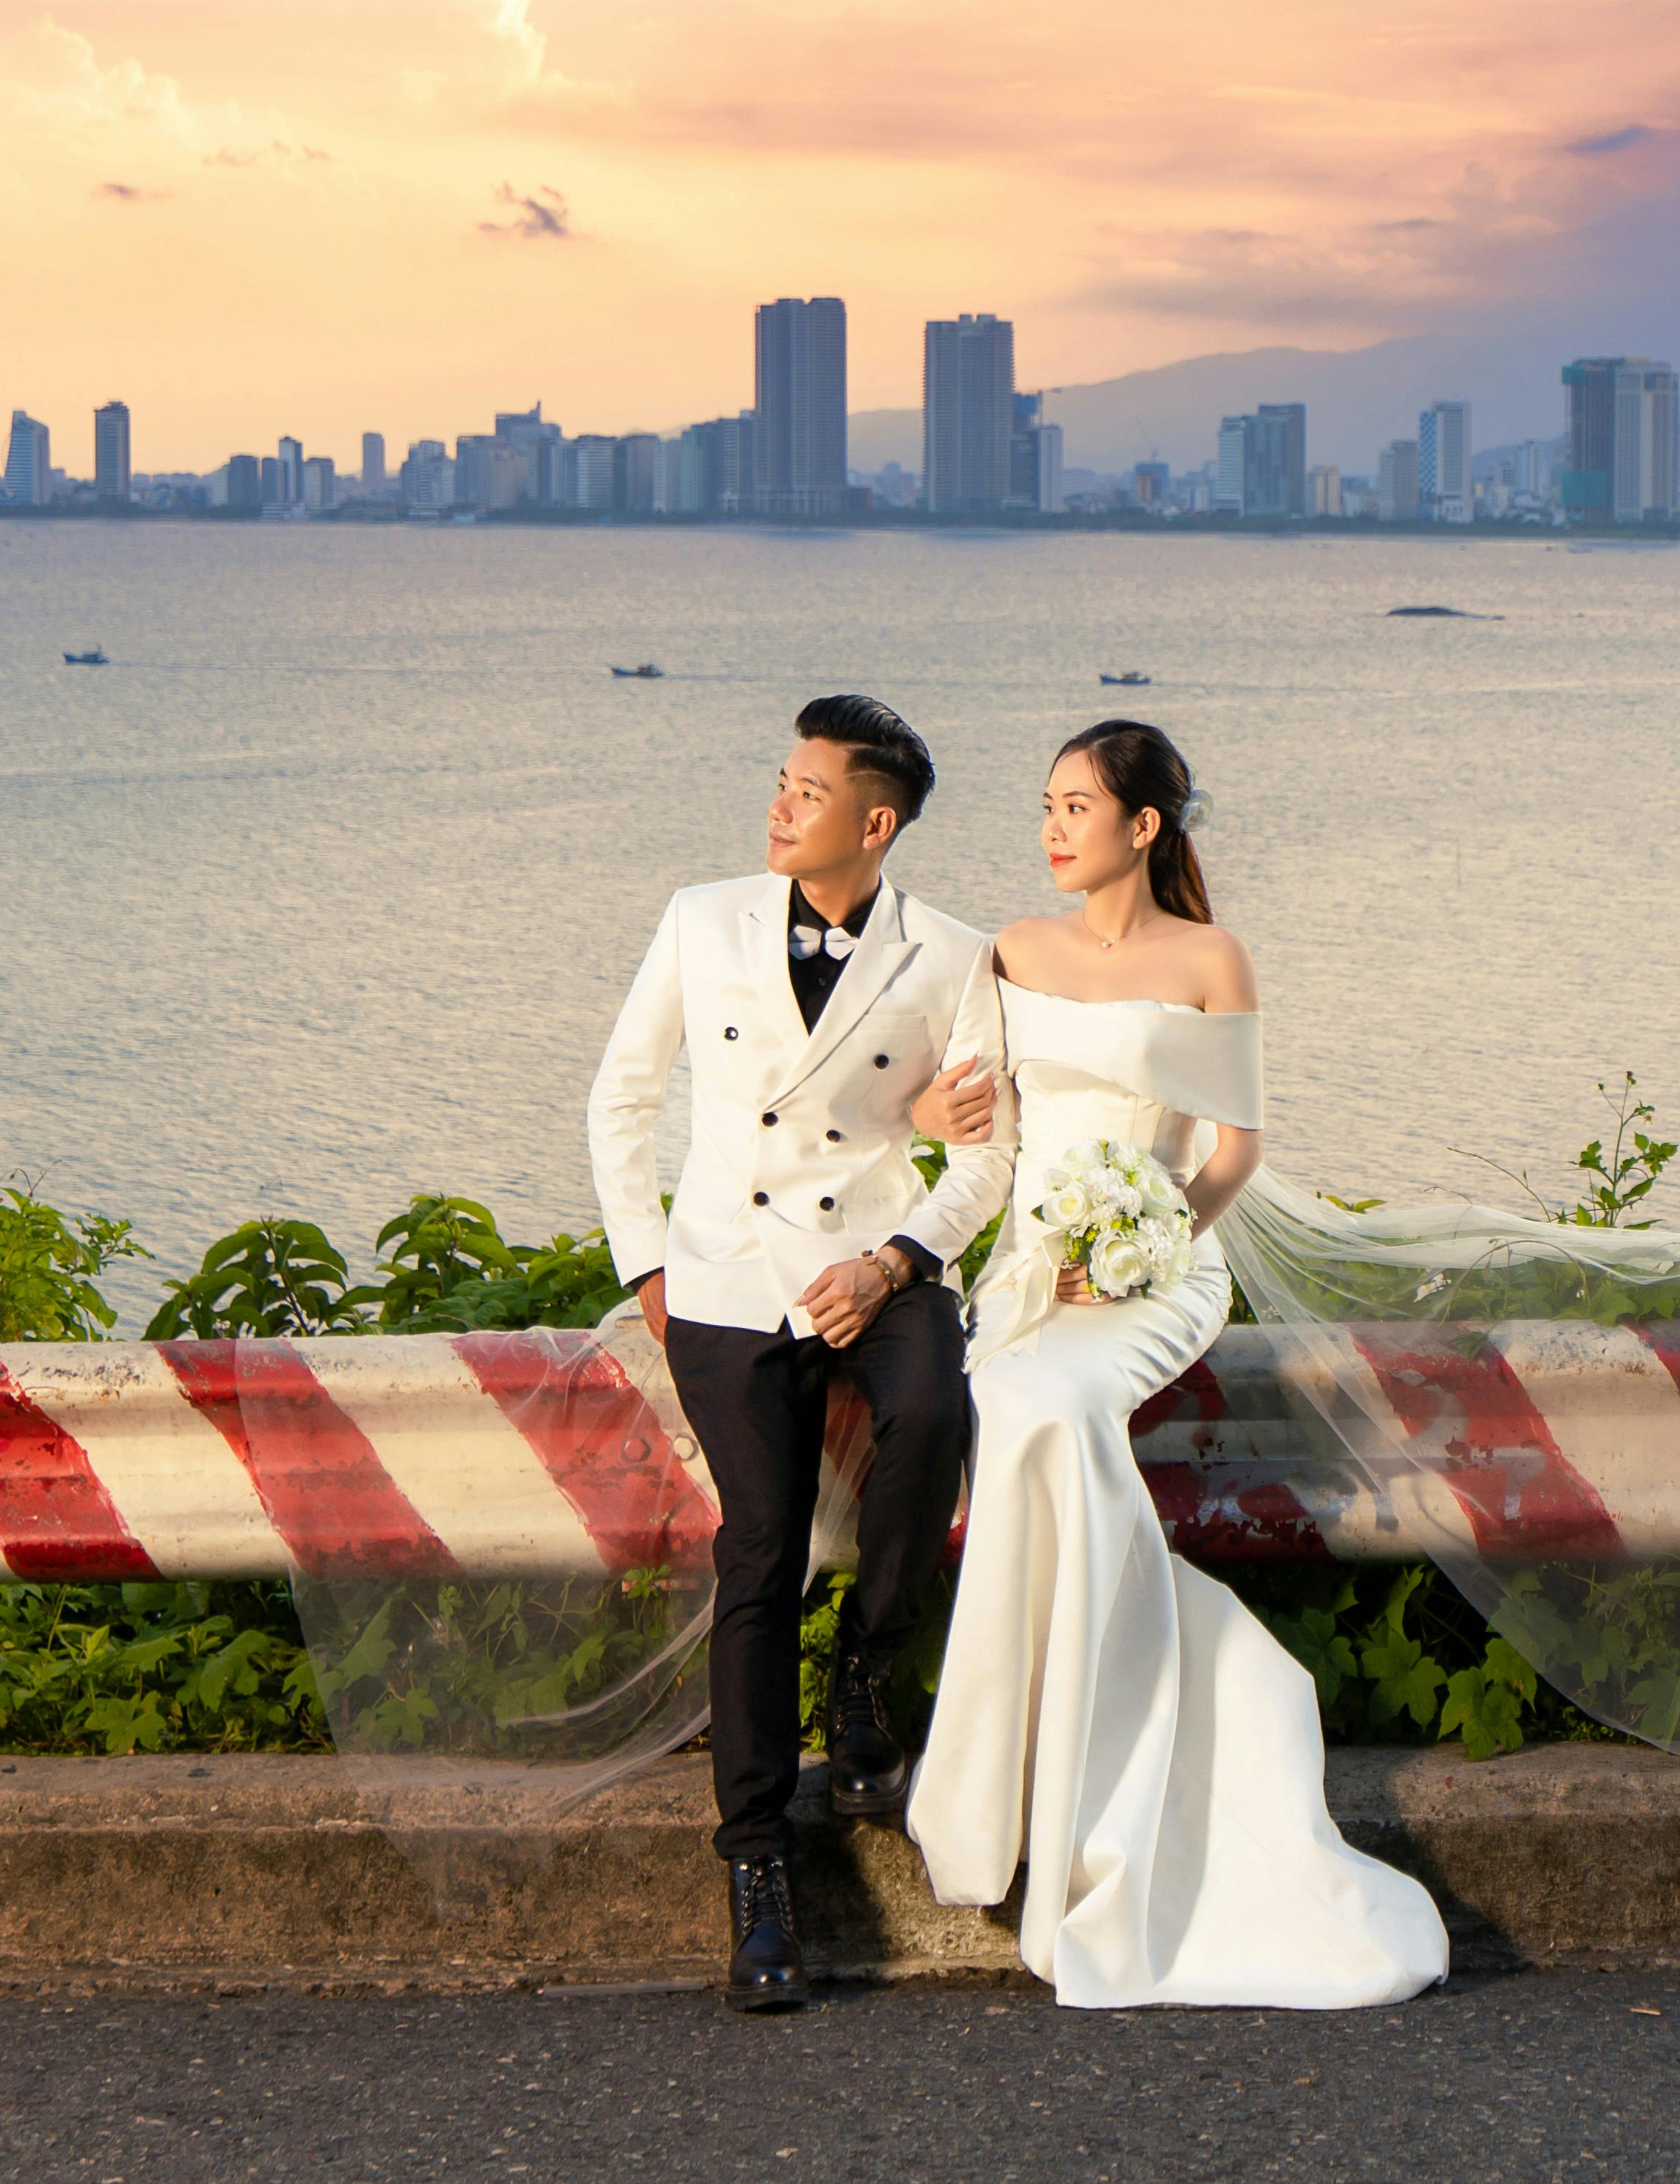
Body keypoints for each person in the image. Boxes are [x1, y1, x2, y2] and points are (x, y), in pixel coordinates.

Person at [903, 719, 1450, 2012]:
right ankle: (1067, 1745)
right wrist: (933, 1115)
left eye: (1076, 808)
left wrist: (1150, 1250)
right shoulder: (1010, 953)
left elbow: (1234, 1154)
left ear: (1143, 828)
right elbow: (962, 1117)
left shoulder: (1212, 959)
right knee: (1023, 1401)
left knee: (1053, 1404)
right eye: (1044, 805)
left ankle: (1103, 1753)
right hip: (1031, 1271)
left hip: (1160, 1269)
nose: (1050, 829)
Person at [582, 694, 1007, 2016]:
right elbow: (621, 1096)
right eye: (779, 781)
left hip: (878, 1258)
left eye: (807, 791)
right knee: (758, 1551)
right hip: (721, 1272)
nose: (778, 805)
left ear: (874, 824)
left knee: (936, 1413)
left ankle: (869, 1672)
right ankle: (757, 1871)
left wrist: (896, 1261)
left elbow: (990, 1156)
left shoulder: (956, 954)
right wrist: (648, 1265)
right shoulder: (699, 917)